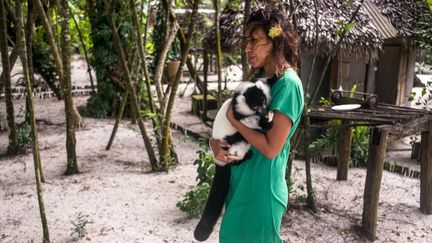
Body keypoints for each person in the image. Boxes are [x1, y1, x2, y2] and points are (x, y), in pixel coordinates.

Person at [208, 8, 304, 243]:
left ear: (274, 42)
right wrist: (215, 145)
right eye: (247, 40)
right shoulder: (258, 82)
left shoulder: (288, 85)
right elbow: (228, 131)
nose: (247, 47)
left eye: (255, 40)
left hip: (262, 191)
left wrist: (234, 121)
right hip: (239, 186)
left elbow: (272, 149)